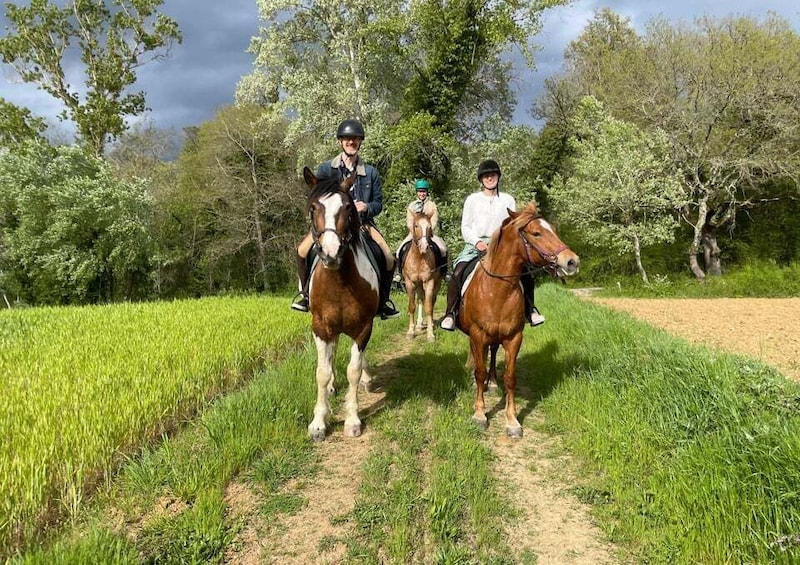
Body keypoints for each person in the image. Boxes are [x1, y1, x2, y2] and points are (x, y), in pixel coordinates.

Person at [292, 118, 400, 319]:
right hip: (331, 224)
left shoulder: (371, 173)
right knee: (301, 250)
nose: (351, 142)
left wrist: (366, 207)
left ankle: (383, 301)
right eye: (347, 139)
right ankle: (305, 295)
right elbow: (317, 197)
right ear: (341, 141)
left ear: (360, 142)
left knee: (388, 257)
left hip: (363, 225)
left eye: (355, 139)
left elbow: (378, 203)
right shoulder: (326, 169)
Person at [439, 159, 545, 331]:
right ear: (481, 179)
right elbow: (465, 226)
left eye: (493, 175)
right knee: (458, 272)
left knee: (526, 274)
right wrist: (477, 242)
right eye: (486, 176)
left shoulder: (508, 199)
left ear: (498, 177)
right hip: (476, 244)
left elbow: (512, 226)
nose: (490, 178)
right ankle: (451, 314)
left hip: (502, 246)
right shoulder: (472, 200)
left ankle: (530, 310)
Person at [395, 178, 448, 279]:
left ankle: (444, 272)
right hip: (414, 234)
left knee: (442, 249)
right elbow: (409, 221)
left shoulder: (431, 205)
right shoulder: (412, 206)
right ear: (417, 192)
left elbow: (434, 220)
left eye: (423, 191)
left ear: (427, 192)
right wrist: (414, 233)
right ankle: (399, 273)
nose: (422, 193)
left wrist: (428, 230)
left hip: (429, 233)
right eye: (420, 191)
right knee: (399, 250)